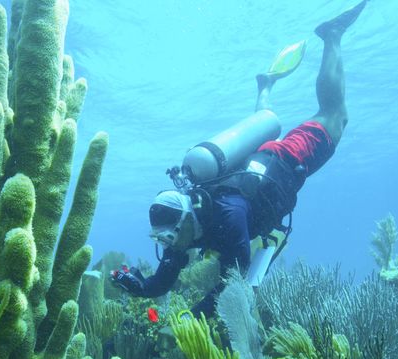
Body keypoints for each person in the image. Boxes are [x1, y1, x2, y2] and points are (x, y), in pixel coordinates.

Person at [111, 1, 368, 316]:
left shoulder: (227, 215)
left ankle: (332, 35)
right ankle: (265, 87)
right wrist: (139, 286)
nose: (168, 246)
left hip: (287, 158)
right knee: (272, 120)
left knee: (335, 117)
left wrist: (190, 318)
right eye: (161, 238)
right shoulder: (183, 230)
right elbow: (162, 281)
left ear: (185, 220)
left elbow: (235, 279)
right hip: (256, 161)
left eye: (168, 237)